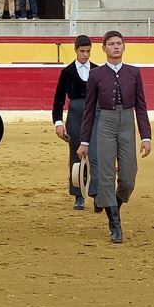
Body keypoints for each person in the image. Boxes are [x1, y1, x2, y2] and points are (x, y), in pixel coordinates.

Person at [77, 31, 151, 244]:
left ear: (124, 47)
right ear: (104, 48)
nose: (116, 47)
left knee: (128, 176)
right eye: (111, 44)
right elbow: (89, 110)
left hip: (127, 122)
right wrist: (84, 141)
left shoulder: (134, 73)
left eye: (119, 43)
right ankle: (115, 224)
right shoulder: (96, 74)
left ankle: (113, 205)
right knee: (106, 176)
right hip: (106, 125)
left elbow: (142, 107)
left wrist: (146, 136)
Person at [53, 33, 100, 211]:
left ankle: (96, 193)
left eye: (88, 51)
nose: (85, 55)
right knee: (76, 155)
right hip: (75, 114)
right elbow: (58, 100)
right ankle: (78, 195)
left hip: (95, 114)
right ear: (75, 50)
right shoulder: (67, 72)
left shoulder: (97, 70)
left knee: (95, 154)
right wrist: (58, 122)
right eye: (82, 51)